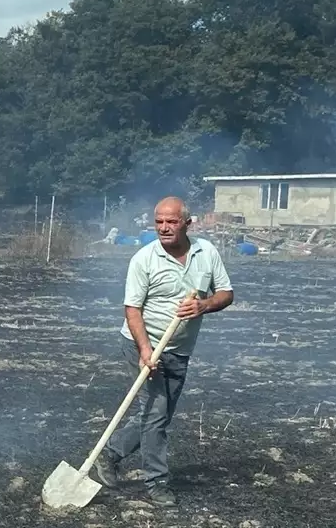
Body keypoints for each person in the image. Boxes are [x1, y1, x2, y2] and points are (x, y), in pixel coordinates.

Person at [89, 196, 234, 507]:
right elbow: (132, 309)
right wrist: (145, 351)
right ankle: (156, 483)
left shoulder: (206, 253)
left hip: (180, 347)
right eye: (159, 222)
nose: (164, 228)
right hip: (141, 343)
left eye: (171, 221)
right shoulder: (143, 259)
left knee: (160, 415)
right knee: (155, 415)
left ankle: (111, 455)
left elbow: (226, 293)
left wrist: (204, 305)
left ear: (187, 223)